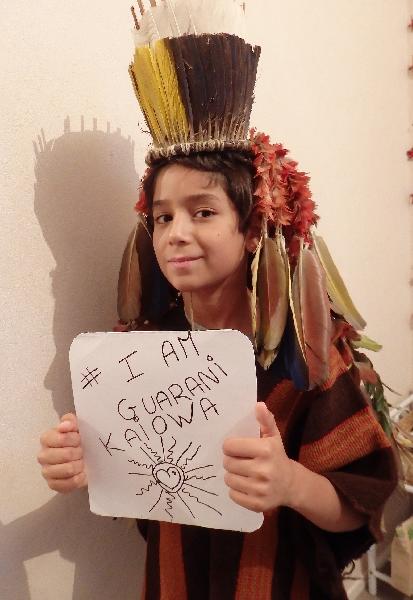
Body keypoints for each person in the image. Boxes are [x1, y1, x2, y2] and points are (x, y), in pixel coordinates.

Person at [38, 2, 397, 598]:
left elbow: (363, 505)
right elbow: (139, 478)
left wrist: (291, 483)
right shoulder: (142, 356)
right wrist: (79, 459)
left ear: (252, 227)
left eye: (202, 212)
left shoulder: (308, 358)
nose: (175, 233)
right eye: (162, 216)